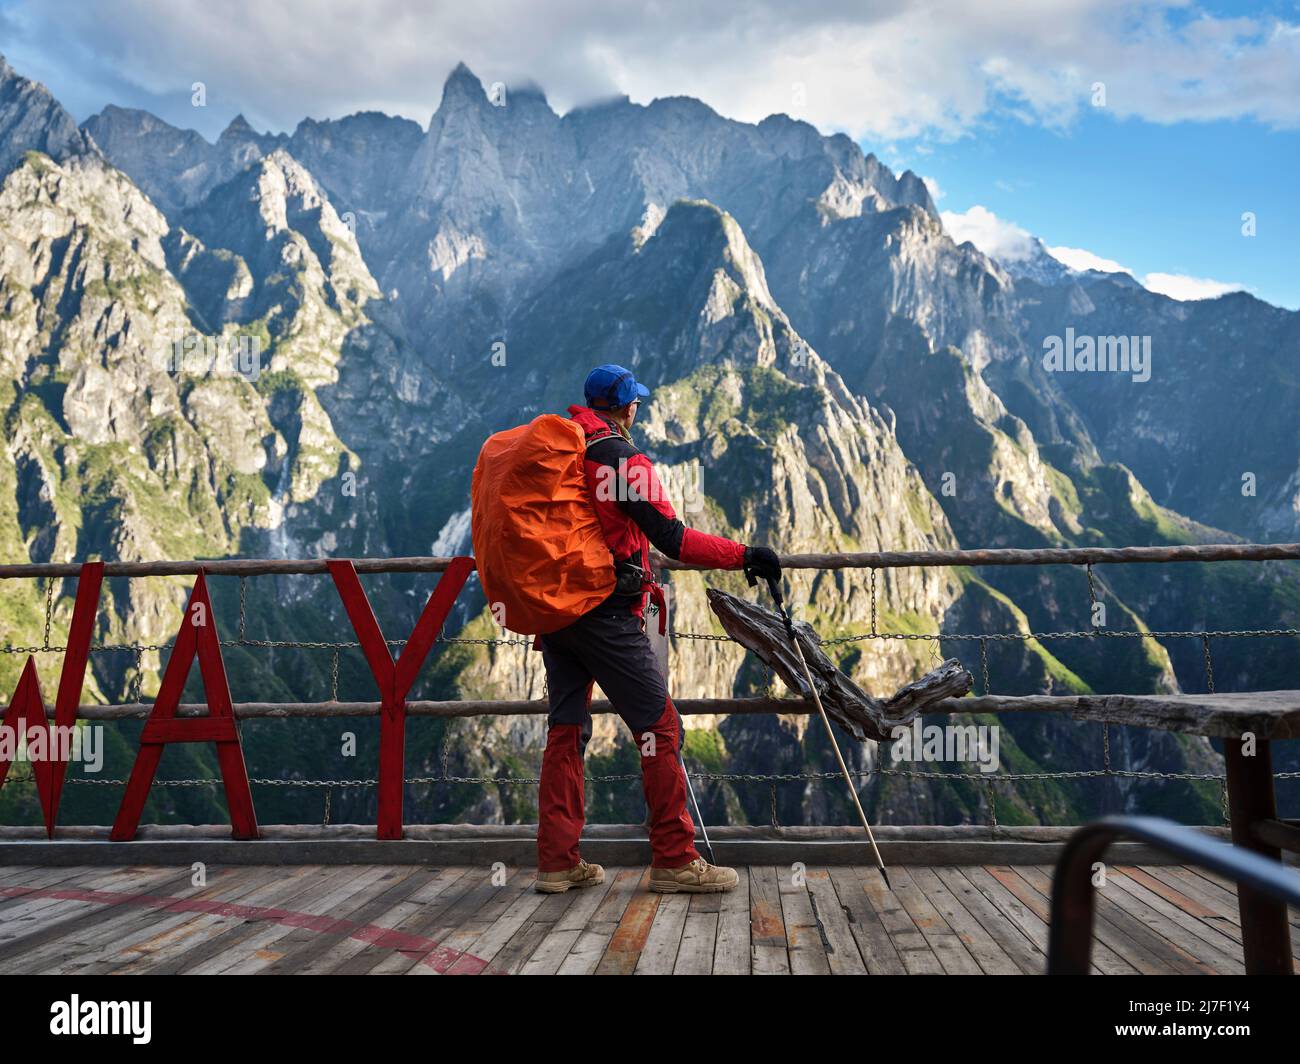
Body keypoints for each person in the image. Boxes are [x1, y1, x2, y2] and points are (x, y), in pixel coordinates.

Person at [535, 363, 782, 894]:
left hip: (555, 611)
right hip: (605, 614)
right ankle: (674, 859)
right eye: (636, 402)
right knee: (659, 727)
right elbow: (674, 539)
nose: (638, 409)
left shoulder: (559, 449)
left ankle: (557, 861)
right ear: (626, 407)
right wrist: (746, 556)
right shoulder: (623, 460)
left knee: (567, 730)